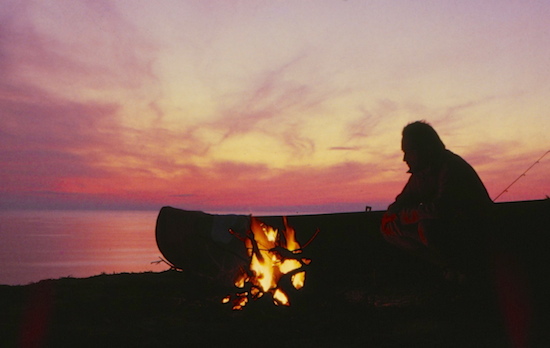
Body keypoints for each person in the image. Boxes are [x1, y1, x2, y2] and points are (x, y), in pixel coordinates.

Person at [380, 121, 493, 283]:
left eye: (409, 152)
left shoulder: (451, 168)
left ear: (426, 149)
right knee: (388, 229)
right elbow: (399, 203)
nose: (404, 158)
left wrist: (406, 217)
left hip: (472, 231)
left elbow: (440, 209)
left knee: (427, 228)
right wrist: (390, 217)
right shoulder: (419, 176)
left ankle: (466, 270)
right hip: (449, 230)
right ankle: (448, 267)